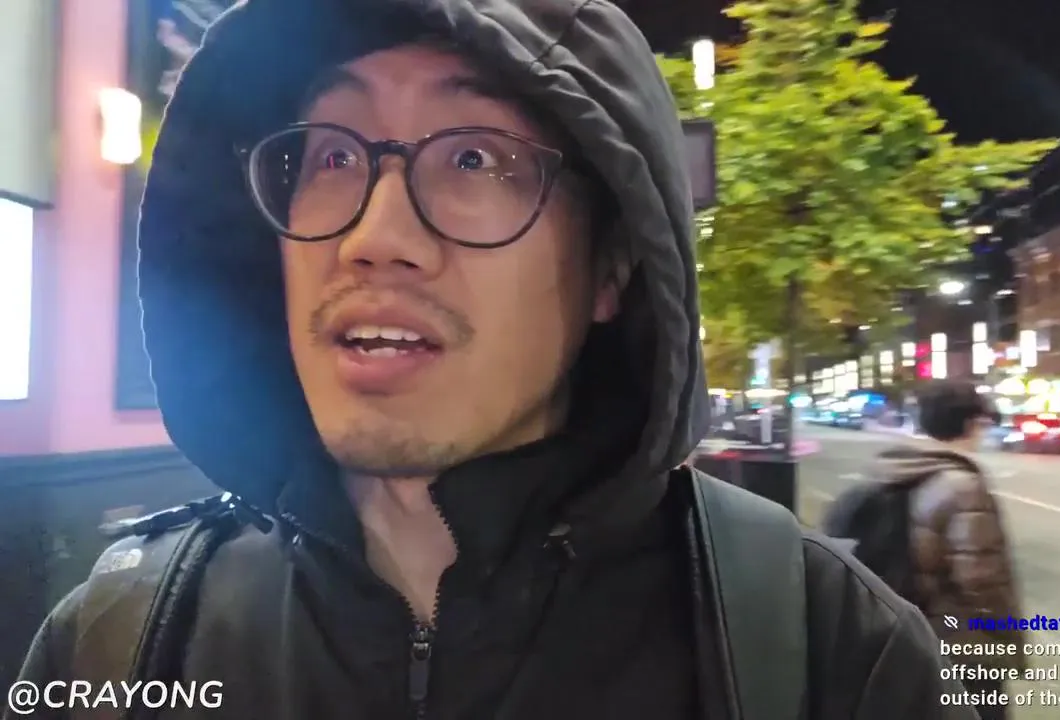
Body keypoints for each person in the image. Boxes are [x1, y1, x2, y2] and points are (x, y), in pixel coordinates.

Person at [7, 1, 976, 718]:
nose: (374, 238)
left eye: (473, 158)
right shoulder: (119, 645)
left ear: (610, 269)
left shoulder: (830, 651)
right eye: (332, 155)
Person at [866, 379, 1026, 720]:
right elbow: (983, 581)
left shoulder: (897, 473)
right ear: (972, 423)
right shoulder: (962, 486)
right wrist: (1009, 640)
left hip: (908, 638)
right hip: (964, 649)